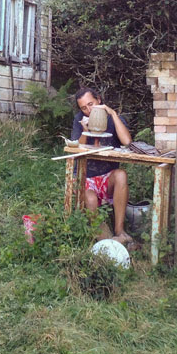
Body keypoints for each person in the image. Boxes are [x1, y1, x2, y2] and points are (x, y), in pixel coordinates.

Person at [72, 86, 133, 245]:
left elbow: (127, 142)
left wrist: (112, 113)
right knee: (90, 200)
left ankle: (120, 232)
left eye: (91, 104)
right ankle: (105, 243)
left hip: (107, 177)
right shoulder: (80, 118)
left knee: (121, 175)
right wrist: (85, 130)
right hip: (86, 178)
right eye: (84, 108)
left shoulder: (112, 118)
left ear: (99, 99)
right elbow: (77, 148)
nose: (88, 110)